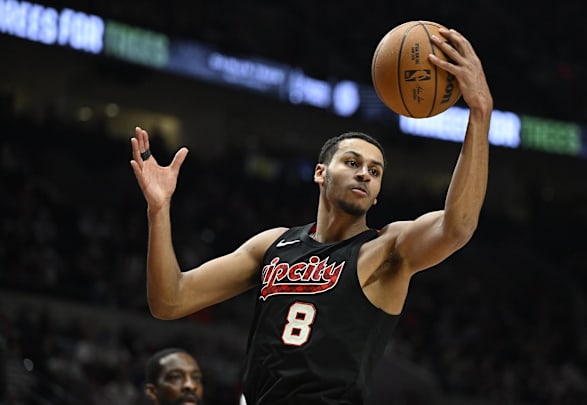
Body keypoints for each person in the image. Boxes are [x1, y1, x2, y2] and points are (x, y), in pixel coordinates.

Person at [130, 26, 492, 405]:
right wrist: (159, 210)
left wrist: (479, 113)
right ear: (320, 173)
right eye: (352, 162)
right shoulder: (273, 244)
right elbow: (169, 301)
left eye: (375, 170)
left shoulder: (386, 249)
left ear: (378, 192)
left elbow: (458, 226)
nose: (364, 174)